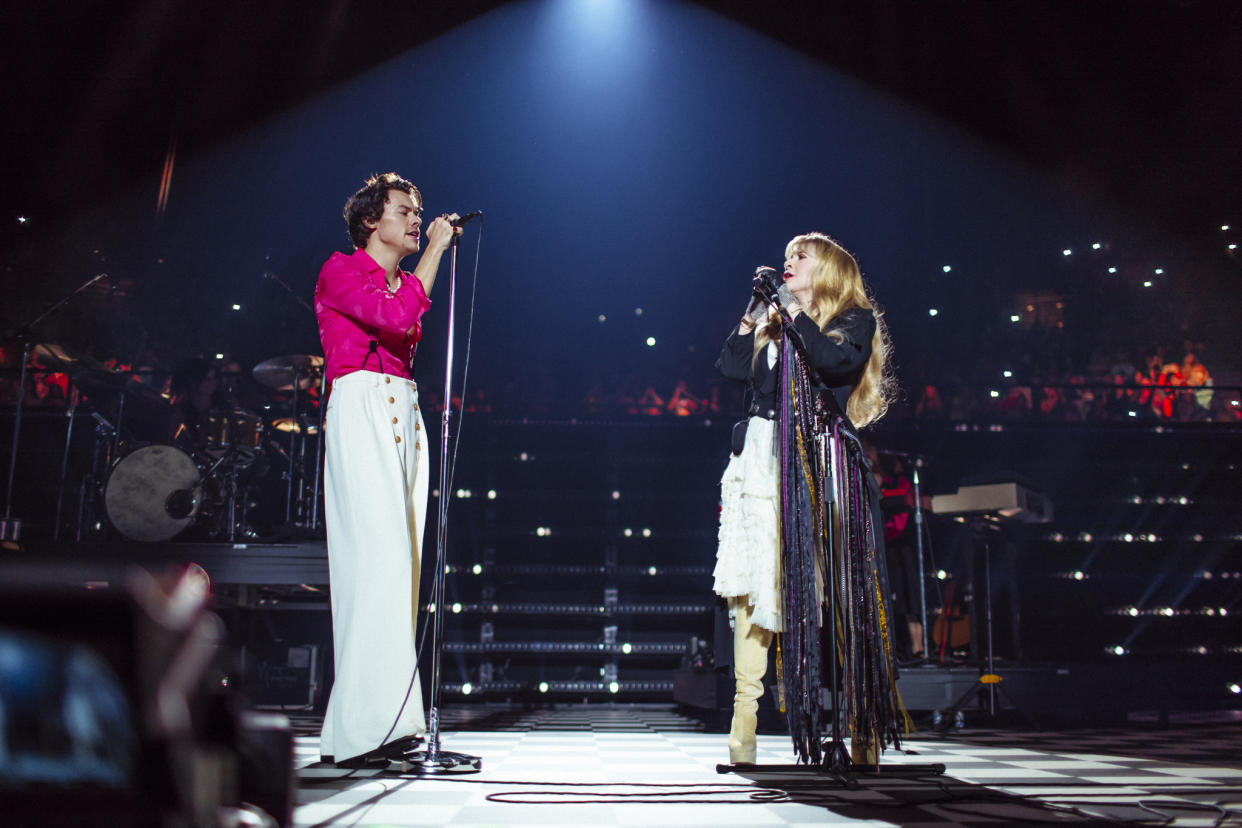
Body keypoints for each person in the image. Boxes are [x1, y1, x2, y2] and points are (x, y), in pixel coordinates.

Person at [714, 232, 901, 767]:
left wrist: (791, 312)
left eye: (802, 257)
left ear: (830, 272)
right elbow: (729, 367)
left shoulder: (850, 320)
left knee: (843, 592)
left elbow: (833, 364)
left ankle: (861, 723)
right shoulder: (775, 325)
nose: (788, 262)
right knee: (752, 583)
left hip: (820, 463)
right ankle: (743, 722)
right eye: (788, 255)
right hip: (761, 459)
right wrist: (756, 313)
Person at [314, 172, 460, 766]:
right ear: (372, 220)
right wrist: (433, 255)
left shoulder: (402, 280)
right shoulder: (341, 269)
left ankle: (392, 723)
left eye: (418, 211)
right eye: (405, 210)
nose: (415, 219)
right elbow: (394, 319)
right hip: (363, 403)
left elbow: (403, 319)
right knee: (372, 562)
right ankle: (355, 733)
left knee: (402, 569)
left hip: (403, 405)